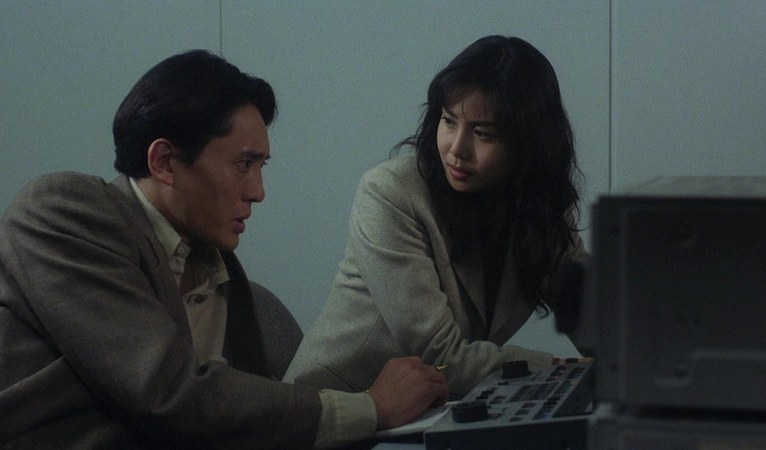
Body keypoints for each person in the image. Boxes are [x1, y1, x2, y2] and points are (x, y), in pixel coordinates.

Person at [0, 50, 447, 449]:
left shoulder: (215, 264)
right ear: (164, 162)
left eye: (261, 166)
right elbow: (168, 392)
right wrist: (371, 408)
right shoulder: (64, 211)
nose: (258, 192)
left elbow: (238, 421)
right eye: (243, 164)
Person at [284, 35, 588, 397]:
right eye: (448, 121)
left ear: (528, 144)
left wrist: (628, 363)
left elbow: (595, 314)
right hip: (336, 407)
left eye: (482, 133)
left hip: (435, 409)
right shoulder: (390, 192)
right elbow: (440, 357)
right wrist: (562, 371)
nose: (457, 149)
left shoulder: (541, 210)